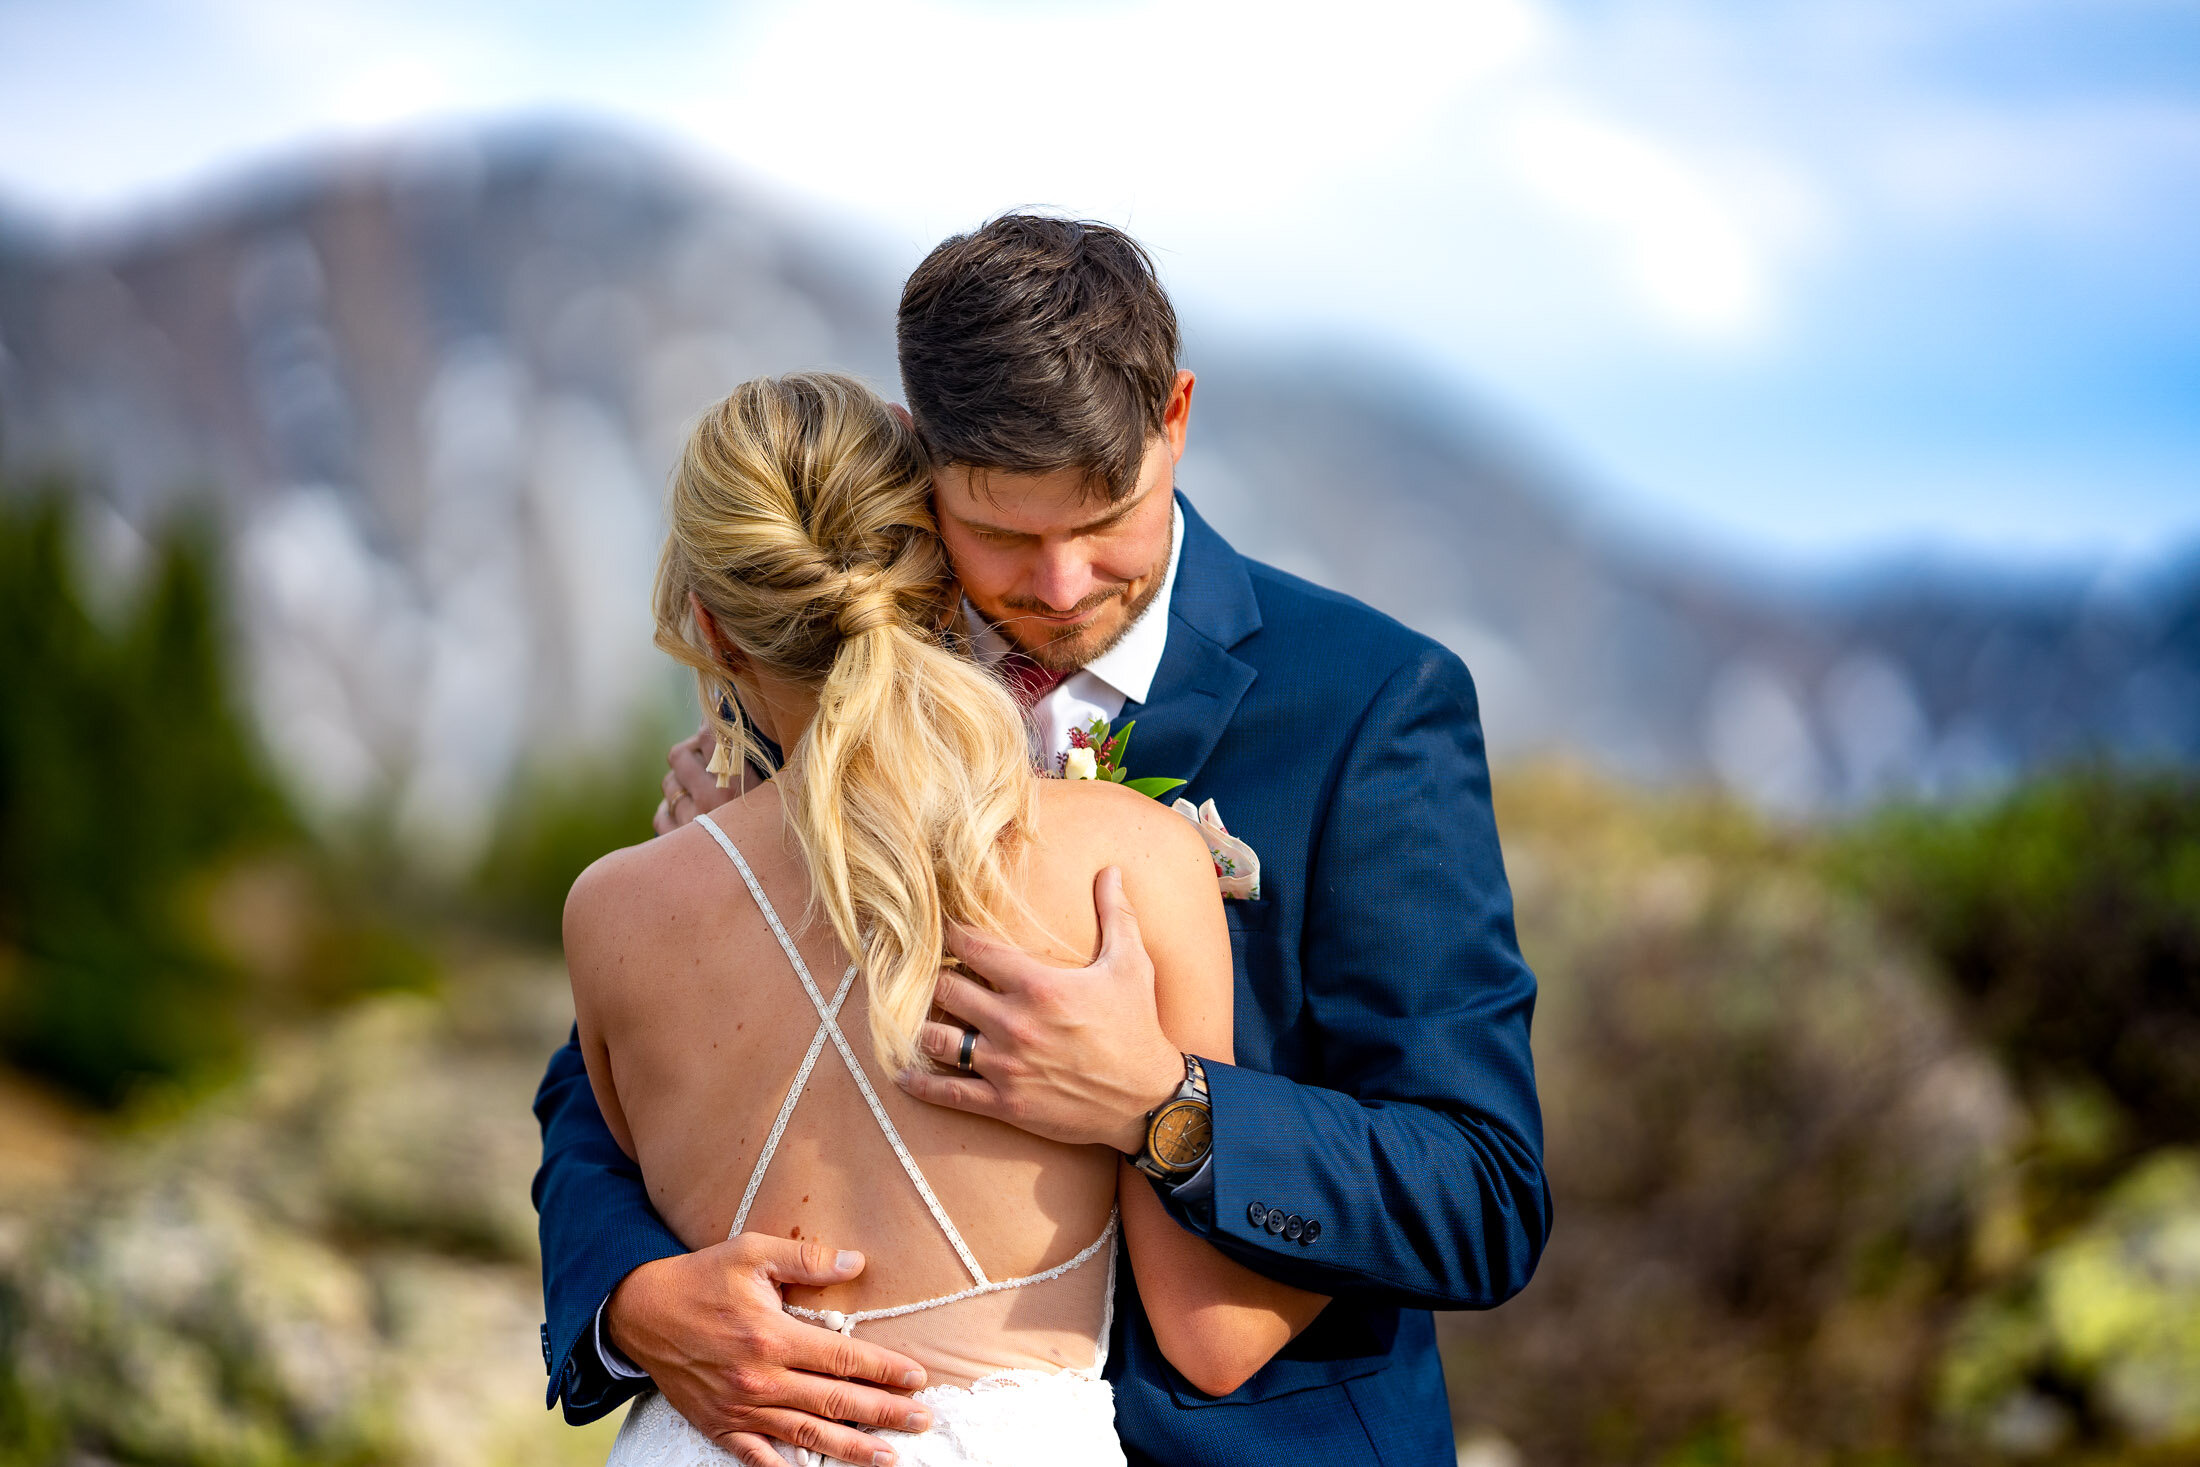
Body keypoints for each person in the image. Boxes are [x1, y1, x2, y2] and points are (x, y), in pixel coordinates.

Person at [536, 216, 1551, 1467]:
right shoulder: (812, 663)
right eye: (1006, 531)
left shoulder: (1368, 704)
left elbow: (1483, 1190)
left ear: (1174, 417)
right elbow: (602, 1079)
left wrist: (1164, 1109)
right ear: (922, 458)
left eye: (1107, 516)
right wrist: (633, 1303)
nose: (1062, 586)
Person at [566, 371, 1327, 1466]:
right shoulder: (1130, 857)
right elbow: (1215, 1337)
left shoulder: (612, 910)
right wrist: (1211, 1120)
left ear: (711, 630)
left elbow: (613, 1153)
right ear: (940, 583)